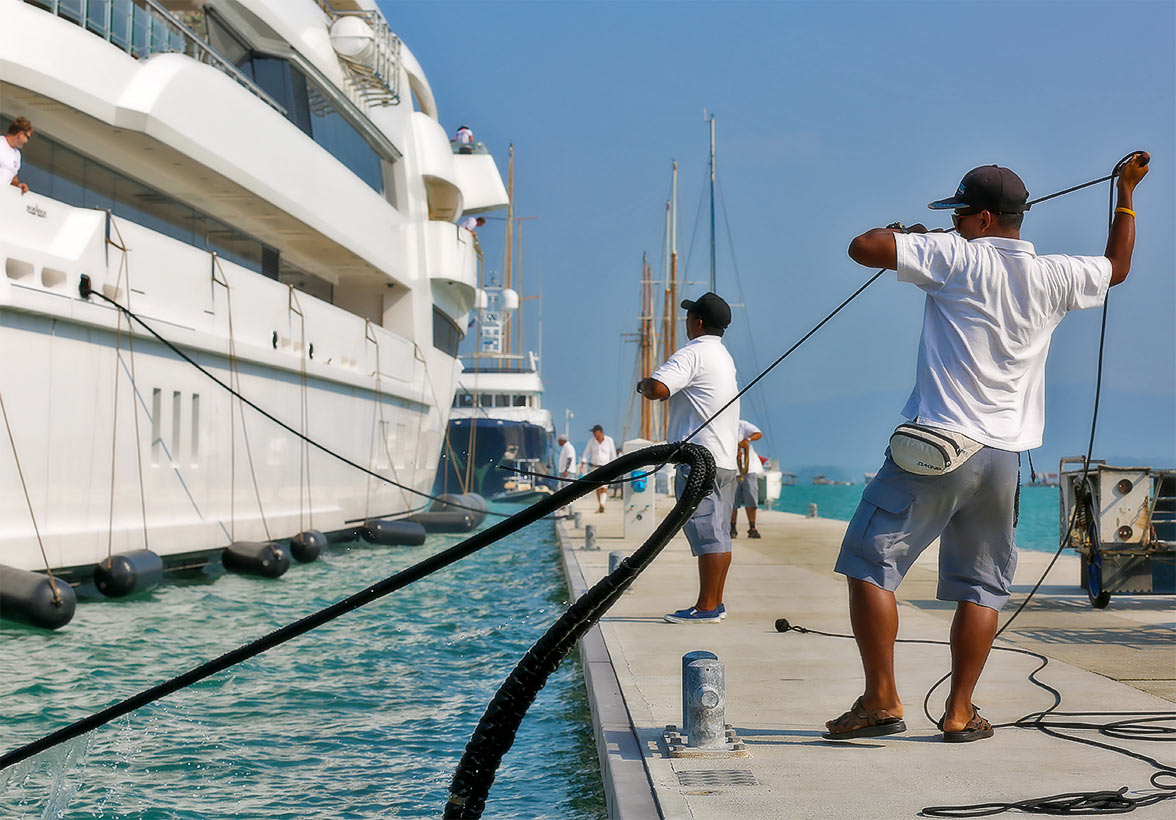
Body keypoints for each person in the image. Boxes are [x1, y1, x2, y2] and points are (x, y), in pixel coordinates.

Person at [825, 155, 1149, 743]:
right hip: (1004, 458)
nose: (954, 224)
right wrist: (1125, 194)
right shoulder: (1053, 275)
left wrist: (915, 238)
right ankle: (959, 711)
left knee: (870, 563)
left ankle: (881, 700)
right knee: (981, 586)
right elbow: (1117, 267)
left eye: (959, 215)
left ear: (979, 218)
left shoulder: (957, 256)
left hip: (938, 443)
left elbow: (862, 246)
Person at [637, 292, 739, 624]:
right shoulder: (723, 356)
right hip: (724, 457)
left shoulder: (692, 354)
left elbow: (659, 389)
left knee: (707, 532)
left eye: (688, 317)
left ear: (696, 322)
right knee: (720, 532)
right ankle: (715, 602)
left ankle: (707, 607)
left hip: (699, 459)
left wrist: (644, 384)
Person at [730, 419, 764, 539]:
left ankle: (752, 527)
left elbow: (758, 433)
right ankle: (732, 527)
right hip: (732, 469)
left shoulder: (742, 425)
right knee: (732, 501)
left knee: (751, 498)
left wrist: (747, 440)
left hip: (748, 469)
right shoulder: (722, 426)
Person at [580, 425, 618, 513]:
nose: (594, 434)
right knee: (597, 487)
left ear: (600, 432)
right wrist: (583, 462)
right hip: (594, 466)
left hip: (606, 467)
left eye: (595, 432)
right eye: (593, 433)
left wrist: (615, 466)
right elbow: (586, 453)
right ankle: (600, 504)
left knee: (604, 486)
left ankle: (602, 504)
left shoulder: (609, 441)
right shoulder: (591, 441)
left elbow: (613, 454)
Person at [2, 117, 33, 194]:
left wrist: (18, 184)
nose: (27, 141)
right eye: (27, 137)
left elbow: (12, 176)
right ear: (20, 134)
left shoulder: (17, 154)